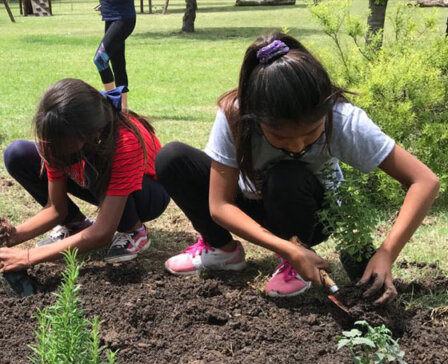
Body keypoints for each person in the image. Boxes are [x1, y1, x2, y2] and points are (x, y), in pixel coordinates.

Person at [156, 33, 439, 303]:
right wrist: (285, 248)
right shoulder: (236, 116)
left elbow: (424, 181)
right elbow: (219, 205)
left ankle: (299, 253)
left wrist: (386, 254)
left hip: (312, 212)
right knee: (172, 158)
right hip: (256, 203)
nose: (297, 146)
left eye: (311, 133)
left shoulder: (341, 118)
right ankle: (221, 250)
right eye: (280, 137)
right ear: (255, 116)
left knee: (286, 174)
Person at [0, 78, 170, 272]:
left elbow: (103, 232)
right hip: (98, 176)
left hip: (148, 194)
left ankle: (134, 230)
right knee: (18, 154)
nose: (52, 147)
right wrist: (17, 234)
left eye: (60, 142)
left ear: (89, 133)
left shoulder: (124, 142)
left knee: (94, 163)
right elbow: (56, 208)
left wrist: (28, 257)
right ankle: (76, 225)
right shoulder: (56, 136)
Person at [93, 0, 136, 111]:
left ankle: (112, 106)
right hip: (111, 17)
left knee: (100, 59)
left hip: (123, 18)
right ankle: (123, 108)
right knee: (118, 63)